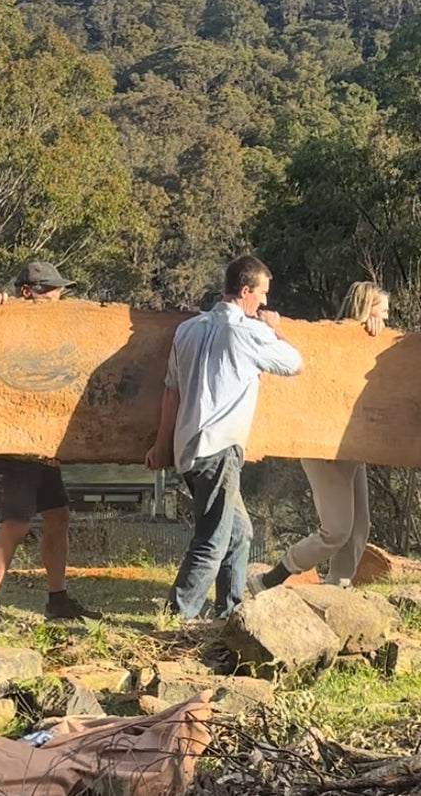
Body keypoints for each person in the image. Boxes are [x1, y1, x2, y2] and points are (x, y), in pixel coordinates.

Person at [145, 254, 303, 621]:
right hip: (219, 448)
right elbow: (296, 363)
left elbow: (171, 392)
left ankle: (230, 612)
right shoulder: (248, 331)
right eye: (262, 293)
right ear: (246, 291)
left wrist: (162, 444)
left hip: (189, 447)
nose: (265, 302)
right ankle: (177, 616)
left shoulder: (187, 329)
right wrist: (275, 328)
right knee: (212, 540)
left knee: (239, 533)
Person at [0, 262, 102, 633]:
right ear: (25, 291)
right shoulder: (0, 314)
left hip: (40, 441)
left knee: (58, 515)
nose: (56, 296)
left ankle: (57, 600)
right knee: (15, 523)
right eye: (47, 290)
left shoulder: (55, 327)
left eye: (59, 289)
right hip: (7, 443)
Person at [248, 282, 389, 594]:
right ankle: (269, 579)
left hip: (351, 447)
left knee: (358, 529)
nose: (387, 317)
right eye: (383, 310)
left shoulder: (370, 341)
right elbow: (304, 364)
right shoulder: (331, 340)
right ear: (367, 309)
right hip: (322, 445)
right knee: (336, 530)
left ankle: (337, 587)